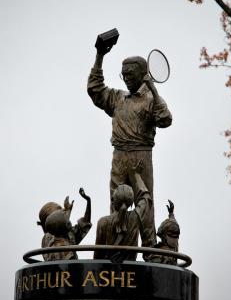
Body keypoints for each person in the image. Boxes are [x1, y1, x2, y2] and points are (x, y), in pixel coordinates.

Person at [87, 44, 172, 243]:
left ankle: (150, 248)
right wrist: (99, 56)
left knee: (145, 201)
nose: (126, 78)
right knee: (117, 202)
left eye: (130, 75)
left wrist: (153, 88)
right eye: (123, 75)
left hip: (141, 155)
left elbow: (165, 119)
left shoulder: (151, 99)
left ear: (143, 75)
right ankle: (117, 245)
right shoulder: (118, 98)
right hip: (118, 156)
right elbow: (95, 90)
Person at [94, 161, 156, 262]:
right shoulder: (135, 217)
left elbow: (97, 258)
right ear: (131, 202)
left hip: (106, 273)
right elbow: (146, 198)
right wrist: (137, 175)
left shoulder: (102, 222)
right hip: (133, 273)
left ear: (113, 200)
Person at [37, 188, 92, 261]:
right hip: (60, 270)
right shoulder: (48, 238)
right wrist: (68, 211)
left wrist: (88, 201)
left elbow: (85, 223)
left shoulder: (69, 234)